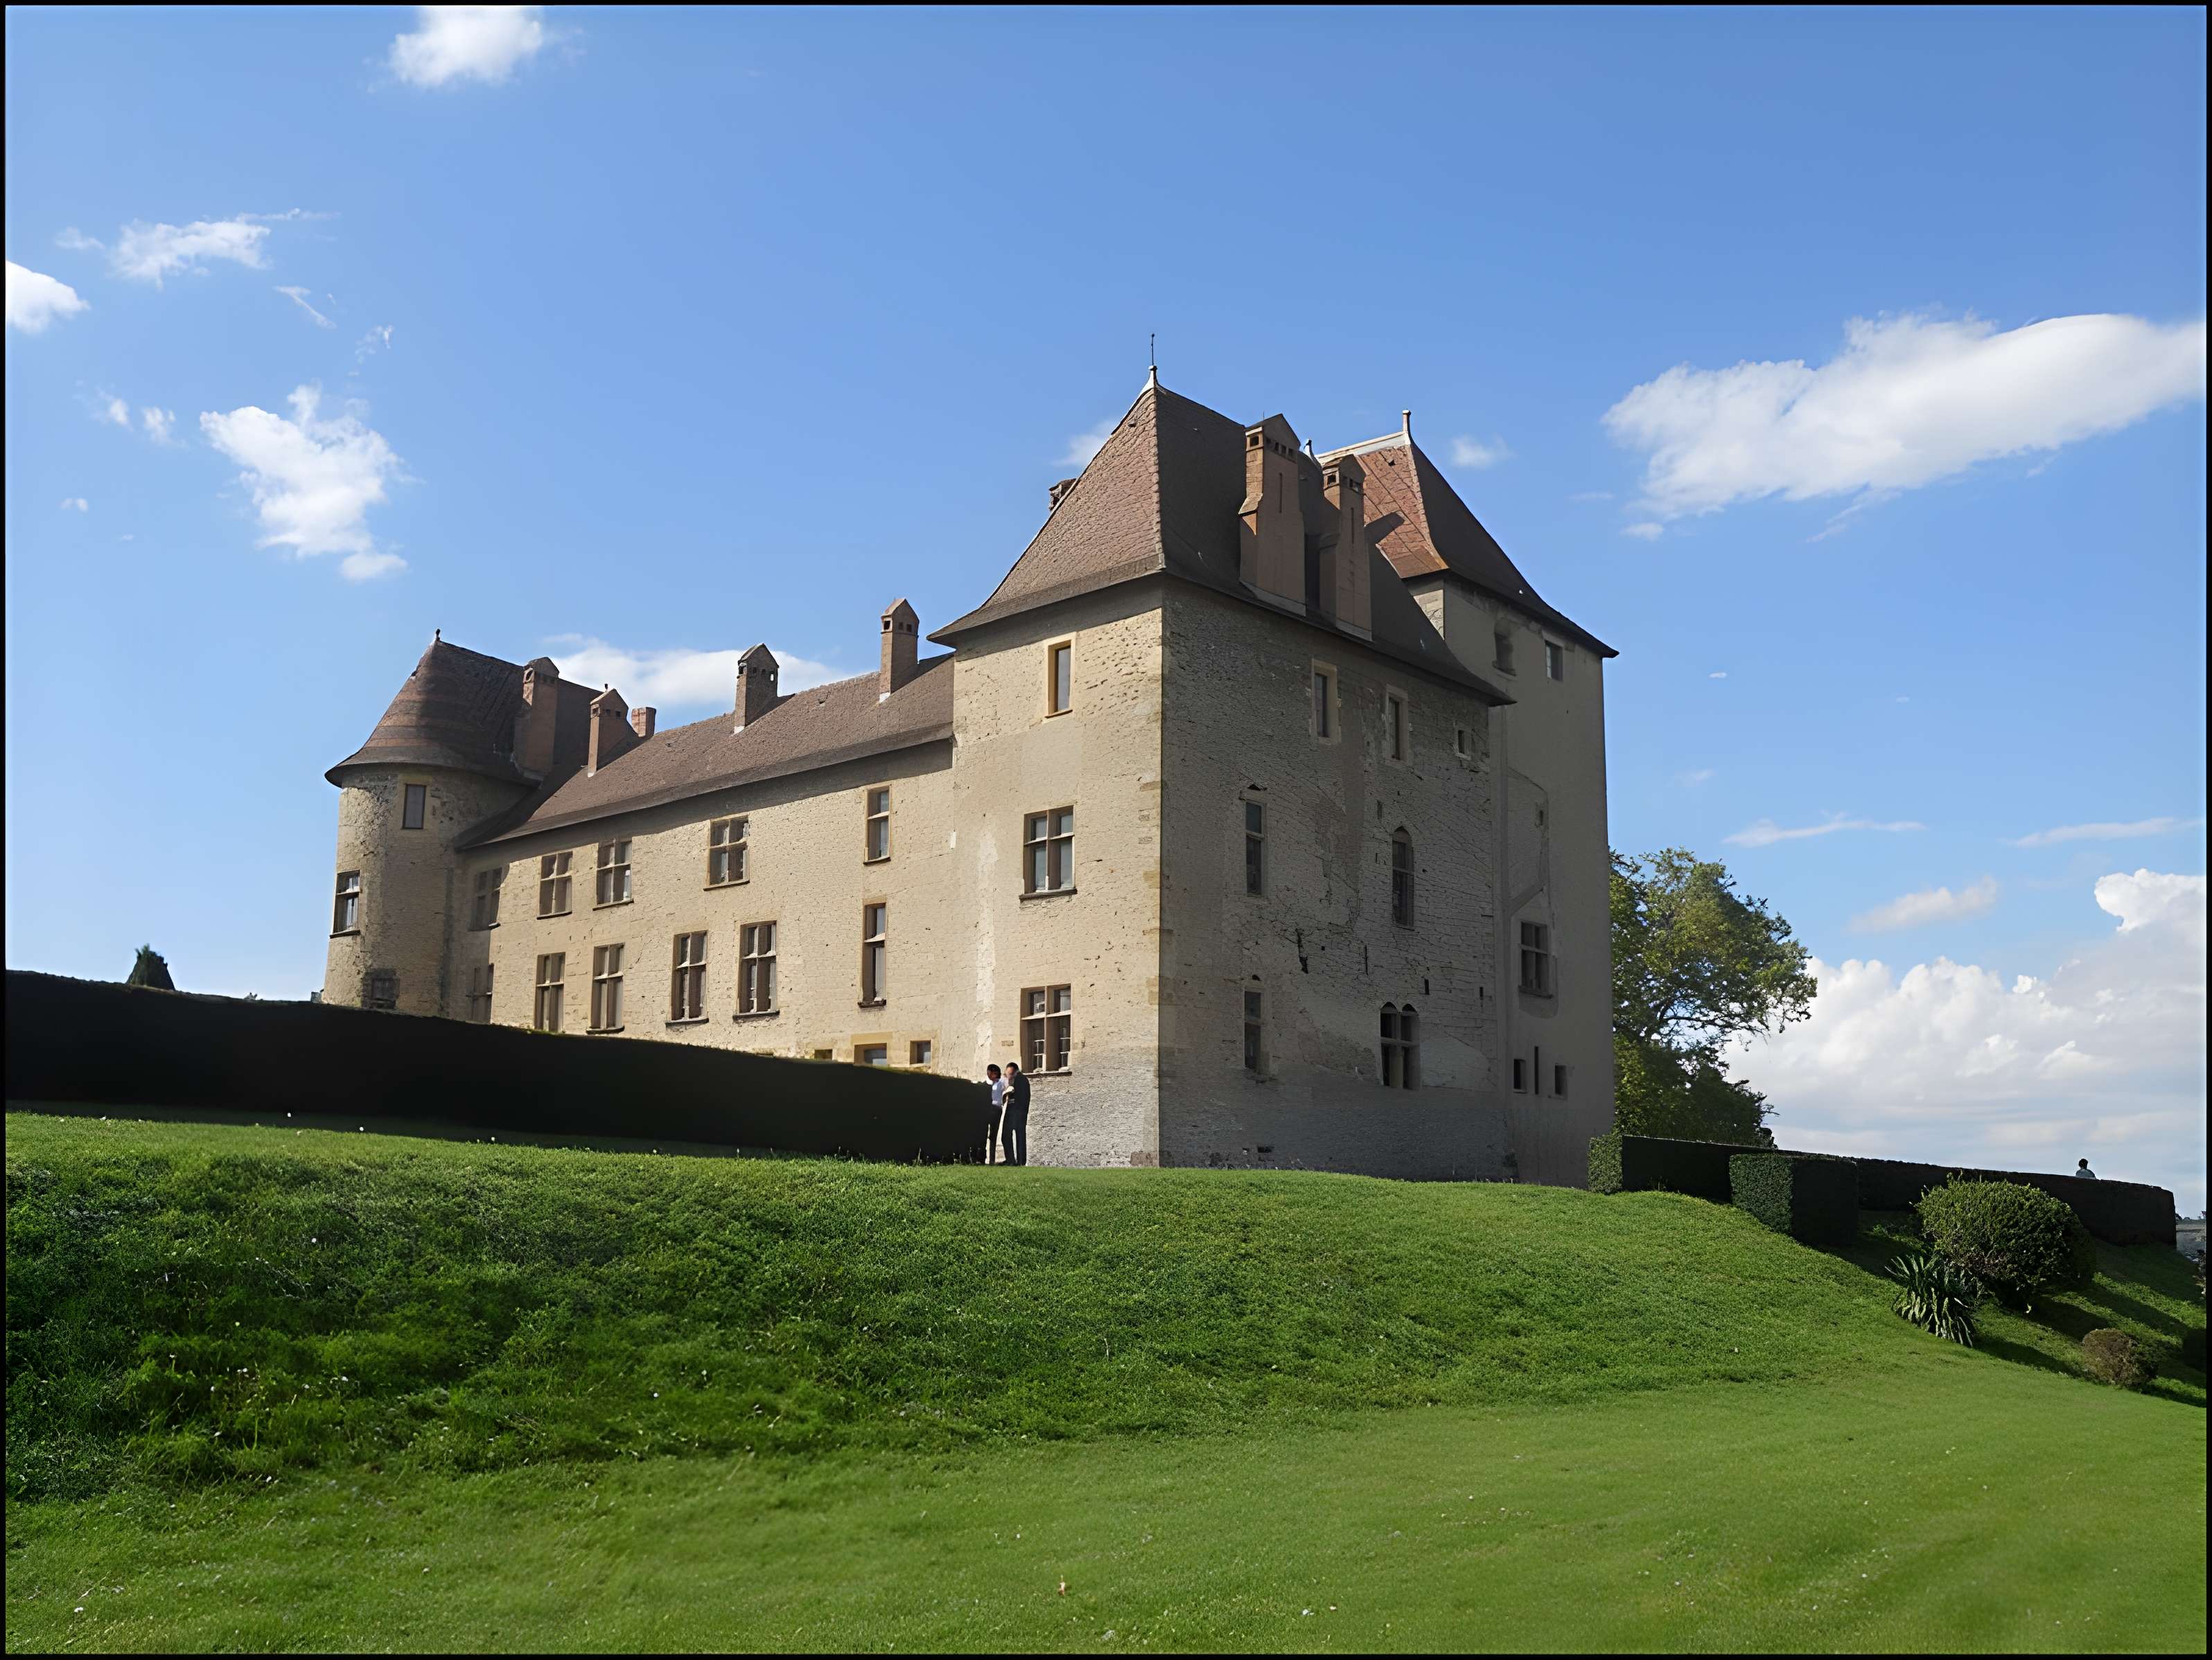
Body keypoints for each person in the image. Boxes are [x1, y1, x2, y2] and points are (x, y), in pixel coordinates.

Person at [1001, 1060, 1030, 1167]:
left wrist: (1007, 1094)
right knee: (1020, 1137)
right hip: (1022, 1113)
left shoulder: (1018, 1080)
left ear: (1013, 1070)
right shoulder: (1024, 1079)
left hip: (1014, 1112)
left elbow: (1016, 1096)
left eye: (1008, 1074)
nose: (1008, 1077)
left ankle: (1011, 1160)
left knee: (1006, 1136)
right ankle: (1021, 1161)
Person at [983, 1063, 1005, 1165]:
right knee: (983, 1133)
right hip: (987, 1108)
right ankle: (982, 1157)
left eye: (994, 1073)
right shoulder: (985, 1083)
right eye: (990, 1073)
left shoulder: (1000, 1083)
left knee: (993, 1135)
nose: (991, 1075)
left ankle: (992, 1160)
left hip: (996, 1109)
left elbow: (1005, 1092)